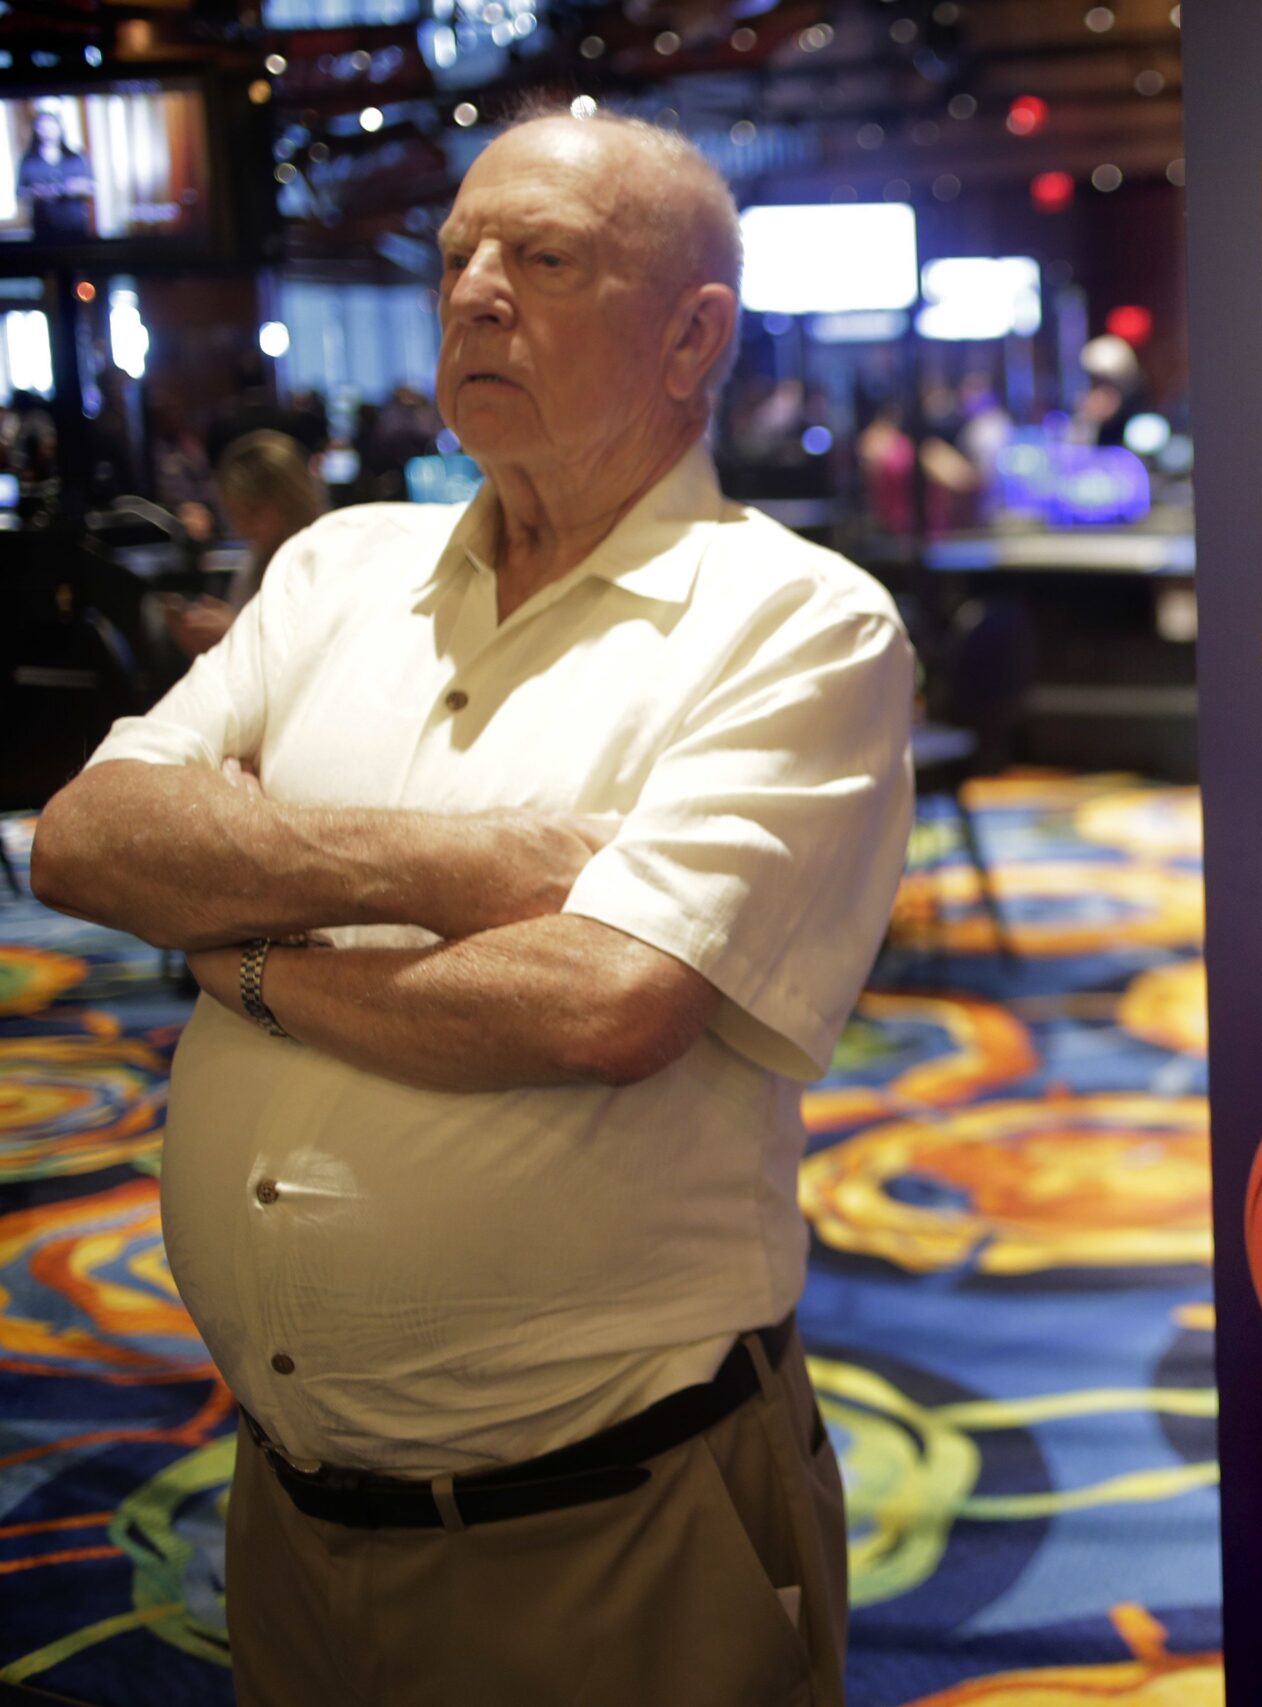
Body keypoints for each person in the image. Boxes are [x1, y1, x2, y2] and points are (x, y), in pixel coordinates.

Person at [32, 107, 912, 1705]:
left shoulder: (793, 622)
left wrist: (235, 944)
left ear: (692, 336)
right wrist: (455, 868)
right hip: (283, 1509)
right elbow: (87, 842)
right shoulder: (333, 571)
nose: (475, 292)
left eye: (547, 260)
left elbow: (603, 1003)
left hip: (612, 1525)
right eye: (458, 257)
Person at [164, 429, 329, 657]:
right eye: (235, 515)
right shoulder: (255, 561)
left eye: (252, 513)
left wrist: (236, 635)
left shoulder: (324, 561)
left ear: (291, 501)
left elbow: (314, 660)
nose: (243, 528)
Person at [18, 101, 96, 243]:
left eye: (51, 125)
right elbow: (20, 192)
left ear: (59, 127)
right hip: (43, 228)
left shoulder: (75, 157)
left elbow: (91, 187)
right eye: (42, 126)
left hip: (75, 228)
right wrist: (37, 192)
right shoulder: (28, 160)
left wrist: (75, 188)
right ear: (36, 130)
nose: (47, 130)